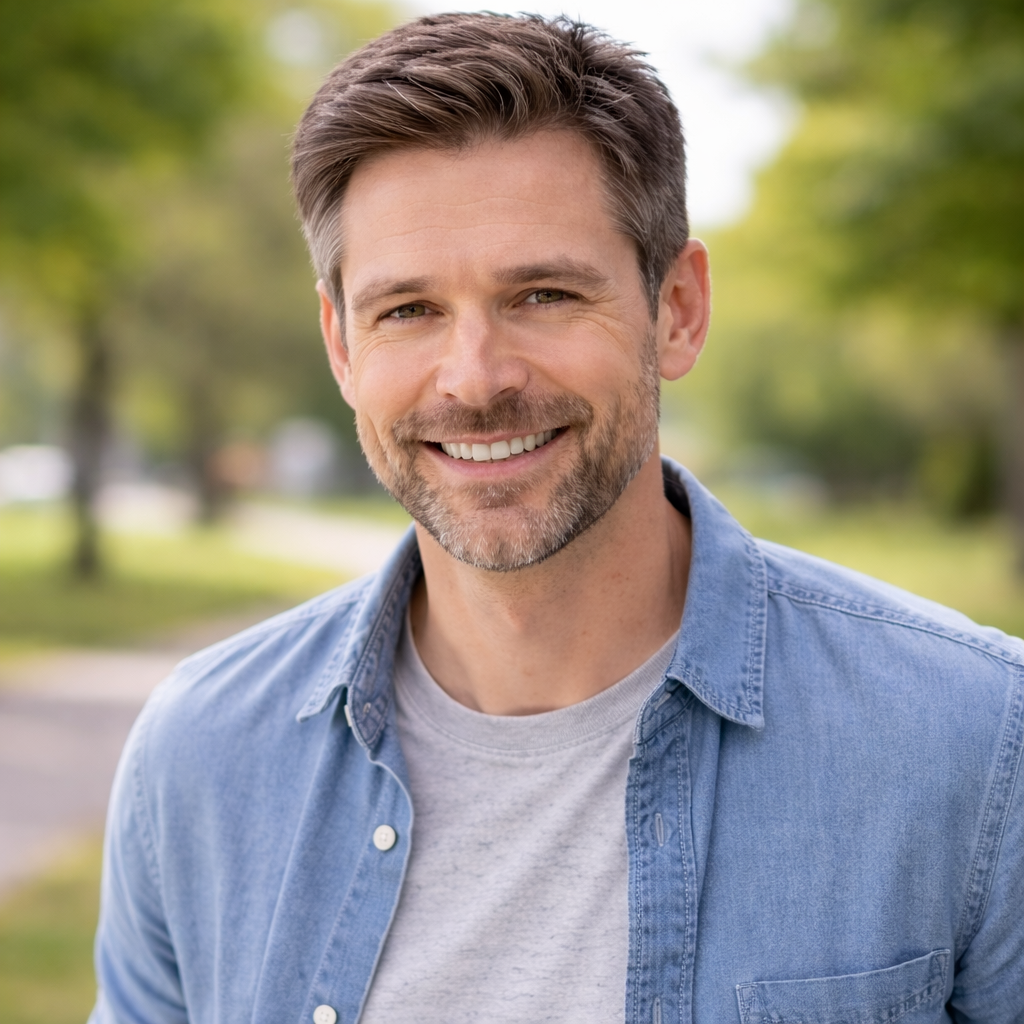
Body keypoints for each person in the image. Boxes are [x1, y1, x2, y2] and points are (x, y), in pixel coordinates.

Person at [89, 13, 1024, 1024]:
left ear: (676, 309)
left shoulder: (974, 749)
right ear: (342, 345)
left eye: (540, 293)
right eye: (408, 310)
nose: (476, 378)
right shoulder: (203, 754)